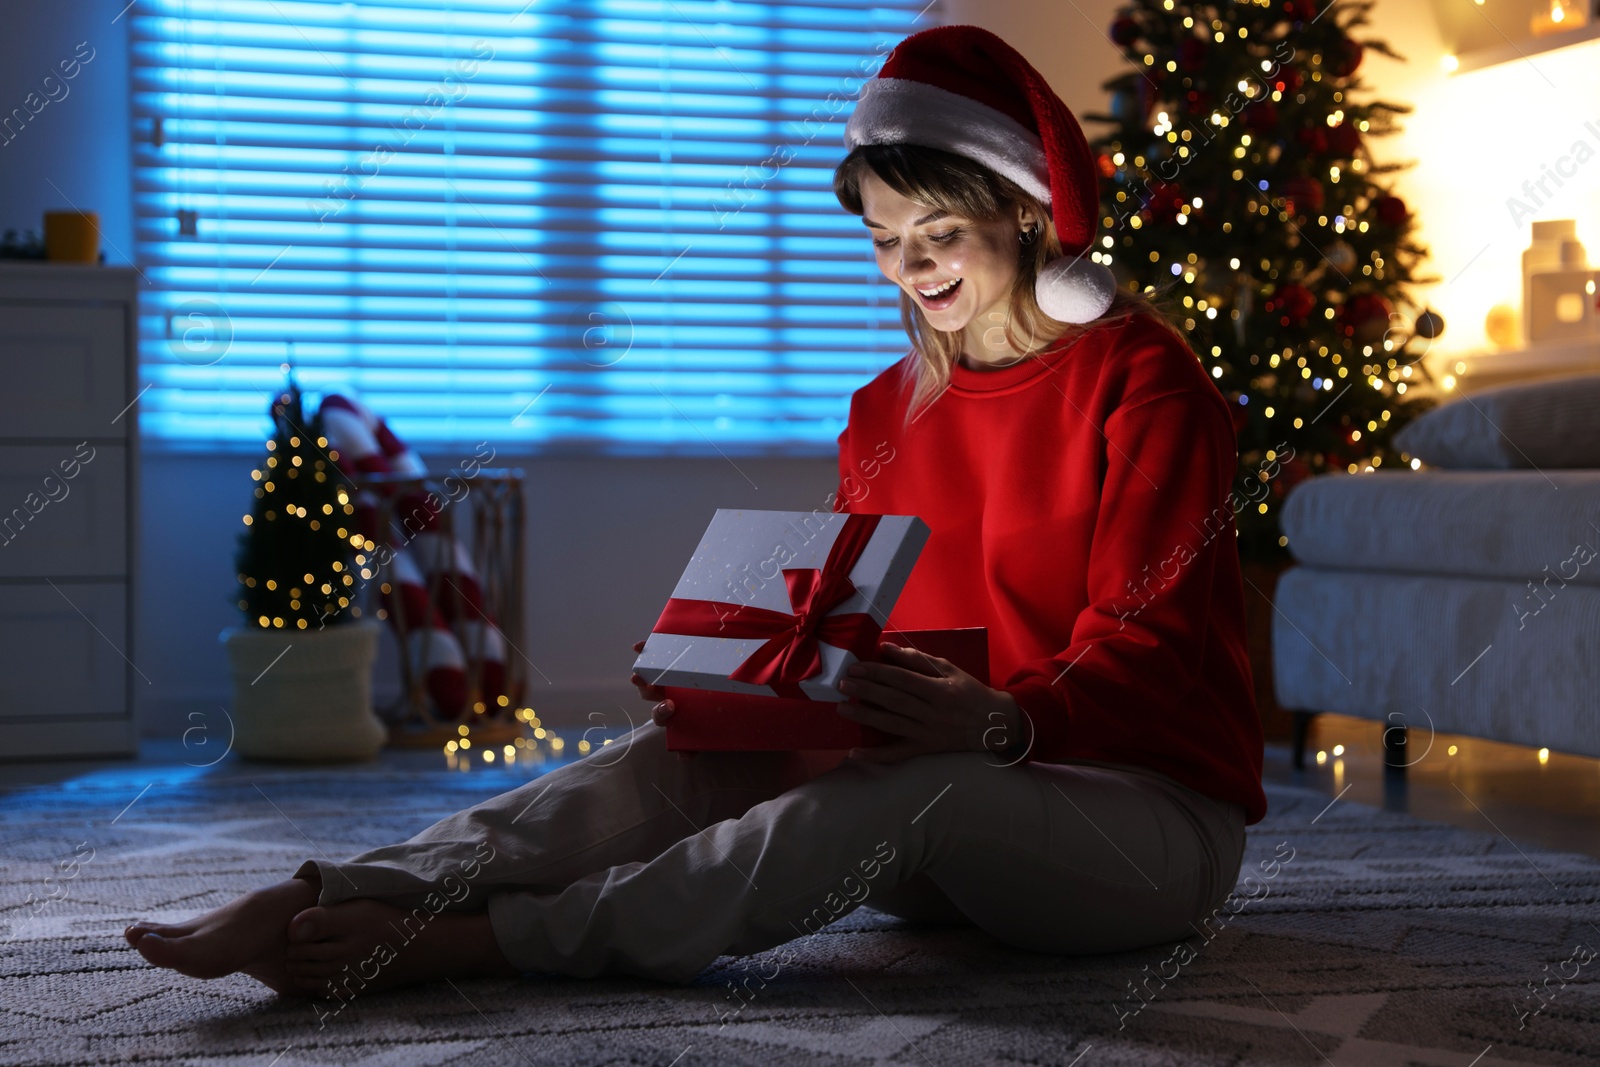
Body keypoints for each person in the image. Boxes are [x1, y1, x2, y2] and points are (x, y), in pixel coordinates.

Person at [123, 24, 1265, 1000]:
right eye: (881, 243)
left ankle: (494, 944)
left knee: (929, 783)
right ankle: (335, 892)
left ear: (1020, 212)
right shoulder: (883, 411)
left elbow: (1150, 648)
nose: (908, 272)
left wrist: (999, 722)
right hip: (942, 813)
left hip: (1137, 818)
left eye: (936, 238)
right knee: (677, 754)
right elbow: (848, 623)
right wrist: (737, 683)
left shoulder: (1145, 382)